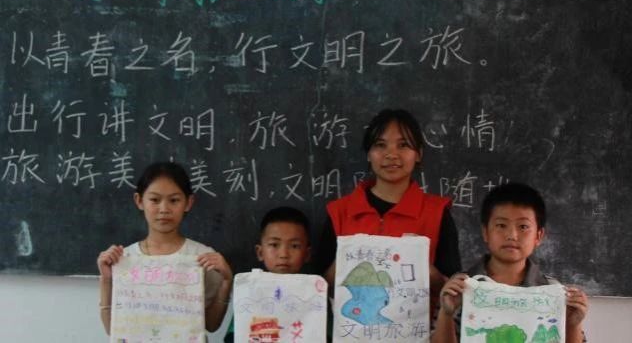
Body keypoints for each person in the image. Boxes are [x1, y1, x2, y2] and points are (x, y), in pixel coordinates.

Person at [314, 108, 461, 296]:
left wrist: (423, 267)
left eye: (403, 145)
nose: (391, 154)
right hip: (352, 314)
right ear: (369, 154)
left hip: (419, 316)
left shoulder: (437, 213)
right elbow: (316, 291)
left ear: (418, 154)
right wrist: (345, 262)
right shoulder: (340, 212)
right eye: (380, 145)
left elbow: (453, 290)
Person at [431, 182, 588, 343]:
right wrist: (446, 313)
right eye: (501, 225)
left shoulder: (551, 290)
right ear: (485, 232)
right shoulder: (461, 286)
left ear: (538, 236)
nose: (512, 235)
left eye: (523, 226)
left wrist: (573, 324)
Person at [96, 161, 233, 335]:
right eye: (154, 200)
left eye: (174, 200)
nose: (164, 209)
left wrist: (226, 282)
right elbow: (113, 330)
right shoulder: (125, 259)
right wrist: (107, 279)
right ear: (139, 201)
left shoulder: (202, 257)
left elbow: (212, 325)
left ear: (188, 202)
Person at [223, 206, 312, 342]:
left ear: (307, 254)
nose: (283, 254)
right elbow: (235, 337)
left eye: (294, 246)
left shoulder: (315, 293)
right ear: (260, 252)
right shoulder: (250, 292)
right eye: (274, 245)